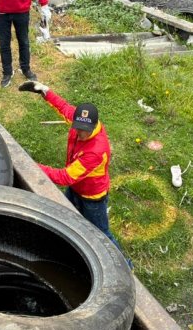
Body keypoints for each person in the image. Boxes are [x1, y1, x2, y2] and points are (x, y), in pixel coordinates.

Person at [18, 80, 121, 248]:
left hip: (92, 198)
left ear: (94, 126)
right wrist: (45, 91)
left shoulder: (96, 151)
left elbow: (65, 177)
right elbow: (64, 107)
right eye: (77, 127)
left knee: (103, 235)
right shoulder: (82, 121)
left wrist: (32, 166)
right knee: (65, 218)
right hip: (75, 188)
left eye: (84, 130)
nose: (79, 132)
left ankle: (125, 268)